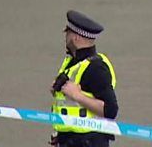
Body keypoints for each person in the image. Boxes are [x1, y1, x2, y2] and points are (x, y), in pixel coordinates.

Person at [49, 10, 118, 147]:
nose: (66, 38)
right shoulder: (71, 62)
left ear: (76, 38)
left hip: (89, 141)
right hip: (70, 139)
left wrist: (77, 96)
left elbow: (110, 110)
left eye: (68, 34)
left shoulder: (96, 67)